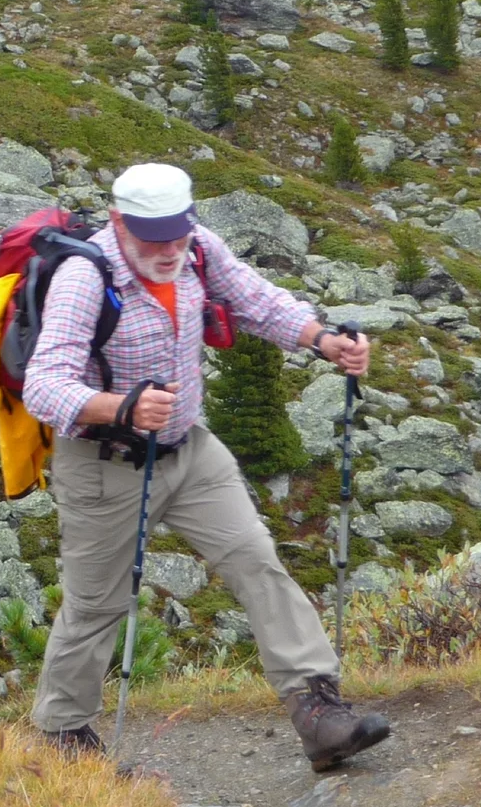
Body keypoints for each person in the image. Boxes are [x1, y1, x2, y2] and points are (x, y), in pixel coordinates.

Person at [19, 163, 390, 771]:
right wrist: (122, 406)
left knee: (254, 559)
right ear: (118, 222)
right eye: (151, 236)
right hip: (103, 464)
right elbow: (45, 385)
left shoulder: (198, 250)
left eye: (177, 232)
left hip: (190, 451)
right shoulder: (85, 276)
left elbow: (255, 301)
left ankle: (317, 712)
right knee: (96, 606)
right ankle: (63, 737)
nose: (168, 249)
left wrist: (323, 339)